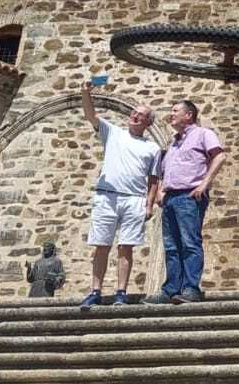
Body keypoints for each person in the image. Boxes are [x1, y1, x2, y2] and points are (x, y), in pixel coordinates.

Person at [79, 81, 161, 310]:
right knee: (101, 245)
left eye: (141, 114)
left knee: (126, 247)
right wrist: (86, 93)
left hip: (134, 200)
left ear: (148, 122)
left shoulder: (152, 148)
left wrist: (149, 205)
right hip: (107, 197)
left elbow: (154, 179)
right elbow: (90, 115)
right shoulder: (112, 132)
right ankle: (95, 291)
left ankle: (121, 292)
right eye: (134, 112)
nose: (135, 115)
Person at [149, 98, 225, 304]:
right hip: (171, 198)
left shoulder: (203, 134)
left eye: (175, 110)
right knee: (171, 246)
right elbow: (167, 170)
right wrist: (162, 191)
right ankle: (171, 289)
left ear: (188, 115)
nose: (171, 114)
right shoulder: (173, 143)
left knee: (190, 243)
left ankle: (191, 288)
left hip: (190, 196)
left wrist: (203, 184)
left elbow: (219, 157)